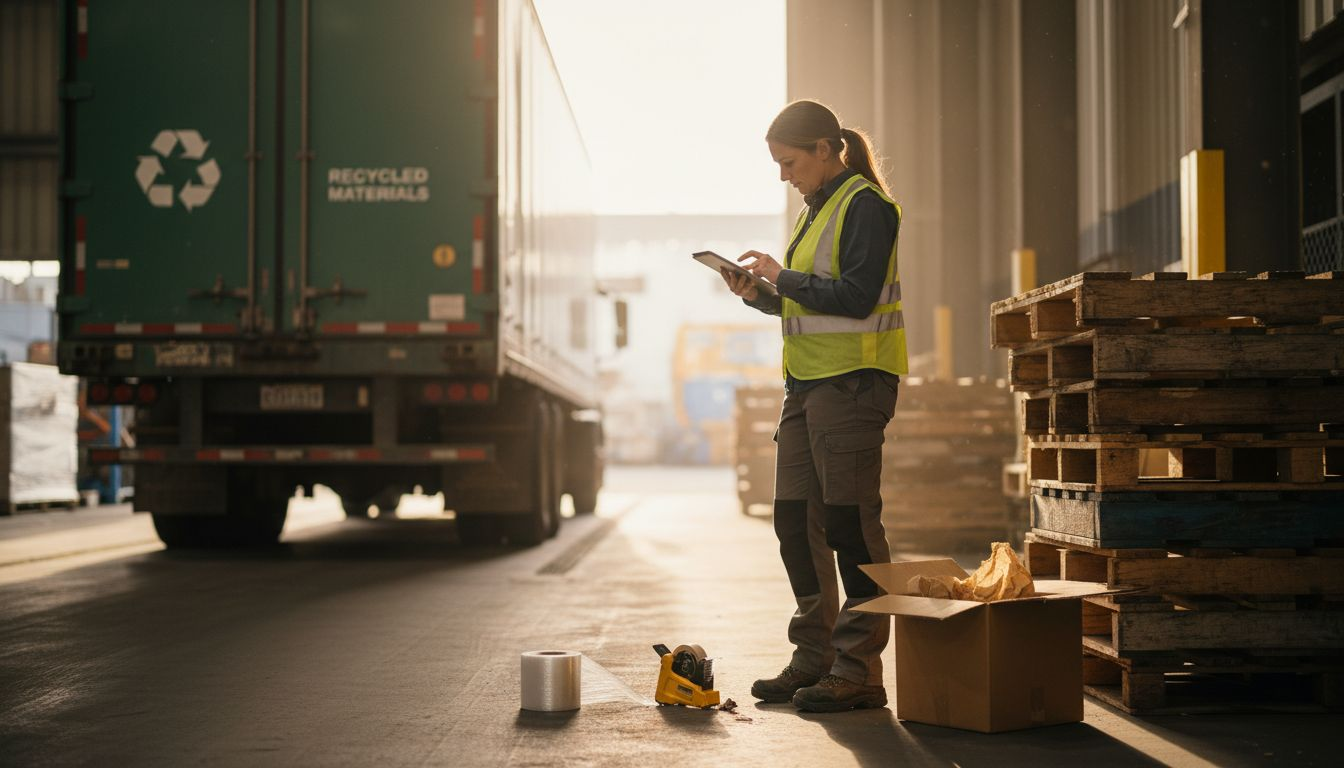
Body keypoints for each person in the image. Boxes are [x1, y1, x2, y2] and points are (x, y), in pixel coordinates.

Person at [722, 99, 907, 713]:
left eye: (789, 161)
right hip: (807, 387)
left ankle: (859, 670)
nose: (784, 174)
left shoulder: (866, 207)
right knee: (794, 523)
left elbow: (854, 298)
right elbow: (809, 304)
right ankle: (816, 657)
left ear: (826, 150)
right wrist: (759, 294)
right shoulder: (817, 210)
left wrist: (786, 277)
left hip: (854, 386)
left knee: (852, 526)